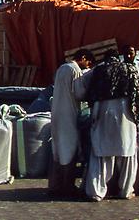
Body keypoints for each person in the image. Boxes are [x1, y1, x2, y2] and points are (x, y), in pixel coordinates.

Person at [82, 49, 139, 201]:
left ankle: (96, 191)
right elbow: (137, 95)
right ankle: (126, 190)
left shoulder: (99, 70)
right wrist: (137, 119)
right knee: (128, 154)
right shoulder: (129, 69)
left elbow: (90, 94)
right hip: (125, 112)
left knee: (101, 153)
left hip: (103, 111)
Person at [48, 48, 94, 198]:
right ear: (83, 58)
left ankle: (55, 185)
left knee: (58, 152)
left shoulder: (62, 68)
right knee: (69, 151)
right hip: (68, 115)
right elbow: (79, 93)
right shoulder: (75, 70)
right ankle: (67, 186)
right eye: (88, 63)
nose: (87, 66)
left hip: (56, 114)